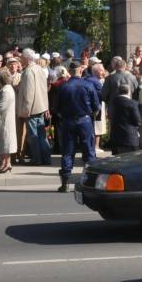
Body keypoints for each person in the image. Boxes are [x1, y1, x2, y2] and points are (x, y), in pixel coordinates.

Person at [56, 62, 100, 192]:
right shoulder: (88, 85)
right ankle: (91, 181)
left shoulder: (63, 87)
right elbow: (96, 107)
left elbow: (57, 108)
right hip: (84, 120)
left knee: (68, 152)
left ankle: (65, 182)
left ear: (70, 71)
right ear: (80, 70)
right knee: (89, 150)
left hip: (68, 121)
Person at [17, 49, 51, 166]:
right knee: (41, 134)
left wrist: (26, 110)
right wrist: (46, 106)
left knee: (34, 136)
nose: (20, 59)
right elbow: (44, 89)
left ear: (27, 58)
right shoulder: (39, 69)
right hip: (40, 106)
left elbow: (29, 93)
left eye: (22, 57)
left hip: (32, 108)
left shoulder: (28, 72)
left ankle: (37, 159)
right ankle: (46, 158)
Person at [0, 68, 18, 173]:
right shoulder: (7, 89)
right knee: (4, 143)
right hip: (5, 119)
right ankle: (6, 163)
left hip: (5, 120)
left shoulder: (6, 91)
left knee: (5, 143)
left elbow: (0, 106)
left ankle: (6, 164)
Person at [110, 82, 141, 154]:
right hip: (130, 137)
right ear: (129, 91)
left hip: (116, 136)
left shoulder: (114, 101)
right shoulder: (132, 103)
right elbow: (138, 121)